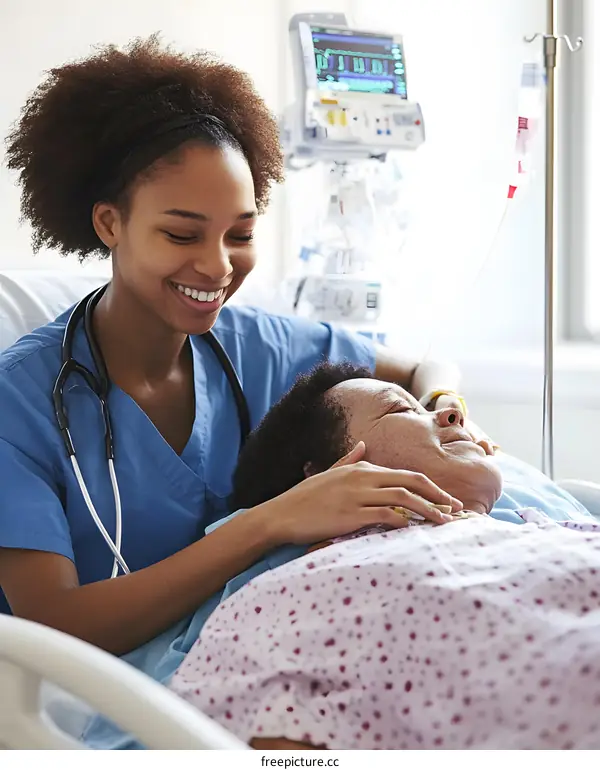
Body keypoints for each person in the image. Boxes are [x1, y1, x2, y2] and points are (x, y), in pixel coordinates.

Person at [0, 36, 490, 657]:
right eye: (182, 234)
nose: (217, 267)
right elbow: (53, 629)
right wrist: (273, 519)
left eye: (241, 233)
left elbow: (424, 366)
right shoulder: (18, 405)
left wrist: (444, 404)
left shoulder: (256, 345)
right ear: (109, 224)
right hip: (97, 702)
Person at [170, 363, 600, 751]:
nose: (454, 415)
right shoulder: (297, 597)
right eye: (400, 410)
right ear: (325, 475)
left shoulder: (553, 528)